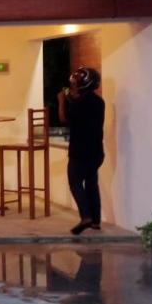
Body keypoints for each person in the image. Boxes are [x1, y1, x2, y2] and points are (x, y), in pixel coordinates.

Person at [57, 67, 105, 235]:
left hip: (80, 151)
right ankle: (96, 221)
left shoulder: (79, 104)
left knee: (75, 183)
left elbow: (64, 118)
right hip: (97, 152)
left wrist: (62, 100)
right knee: (92, 183)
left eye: (75, 84)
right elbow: (82, 114)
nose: (73, 87)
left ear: (83, 84)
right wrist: (72, 99)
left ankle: (86, 217)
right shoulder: (99, 102)